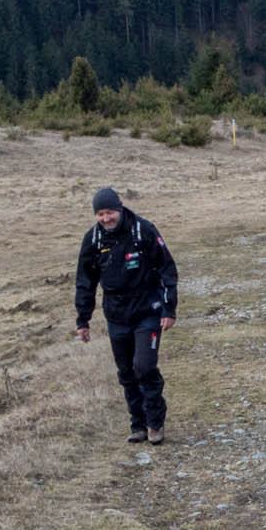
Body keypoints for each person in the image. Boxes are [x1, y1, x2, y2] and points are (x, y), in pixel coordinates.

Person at [75, 186, 178, 444]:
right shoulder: (93, 240)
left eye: (109, 212)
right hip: (116, 316)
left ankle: (155, 422)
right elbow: (85, 282)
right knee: (126, 373)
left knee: (144, 366)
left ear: (119, 209)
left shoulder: (142, 230)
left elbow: (166, 268)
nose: (106, 218)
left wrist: (169, 308)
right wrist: (83, 320)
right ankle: (138, 424)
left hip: (148, 311)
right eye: (100, 214)